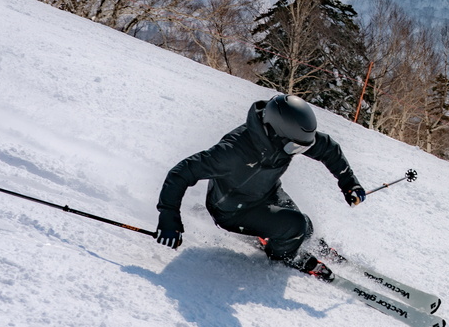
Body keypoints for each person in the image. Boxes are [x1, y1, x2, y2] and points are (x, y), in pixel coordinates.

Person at [154, 94, 365, 276]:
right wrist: (168, 217)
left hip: (267, 192)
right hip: (232, 210)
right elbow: (181, 172)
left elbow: (328, 149)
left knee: (305, 227)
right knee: (296, 225)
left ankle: (290, 239)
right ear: (274, 133)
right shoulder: (233, 151)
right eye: (294, 148)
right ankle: (286, 256)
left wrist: (350, 184)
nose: (297, 152)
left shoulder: (289, 137)